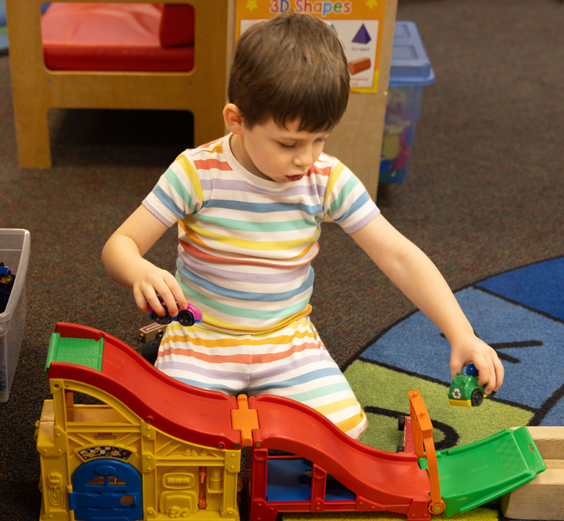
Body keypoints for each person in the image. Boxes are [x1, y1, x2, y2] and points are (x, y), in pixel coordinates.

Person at [102, 12, 503, 440]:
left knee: (344, 435)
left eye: (320, 139)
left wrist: (462, 333)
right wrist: (141, 271)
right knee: (170, 435)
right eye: (289, 143)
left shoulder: (326, 178)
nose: (306, 158)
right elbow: (120, 245)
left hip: (287, 341)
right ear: (236, 120)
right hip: (203, 339)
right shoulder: (196, 171)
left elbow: (399, 255)